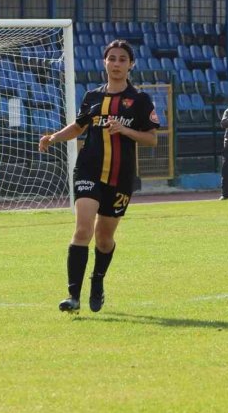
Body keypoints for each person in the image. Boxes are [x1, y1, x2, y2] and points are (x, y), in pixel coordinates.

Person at [38, 39, 159, 314]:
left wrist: (126, 131)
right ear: (104, 62)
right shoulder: (92, 97)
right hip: (88, 169)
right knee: (83, 229)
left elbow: (151, 139)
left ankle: (98, 282)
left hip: (120, 176)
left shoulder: (140, 101)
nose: (116, 64)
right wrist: (54, 137)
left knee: (104, 239)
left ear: (130, 65)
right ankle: (73, 297)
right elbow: (79, 126)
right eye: (112, 58)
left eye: (122, 60)